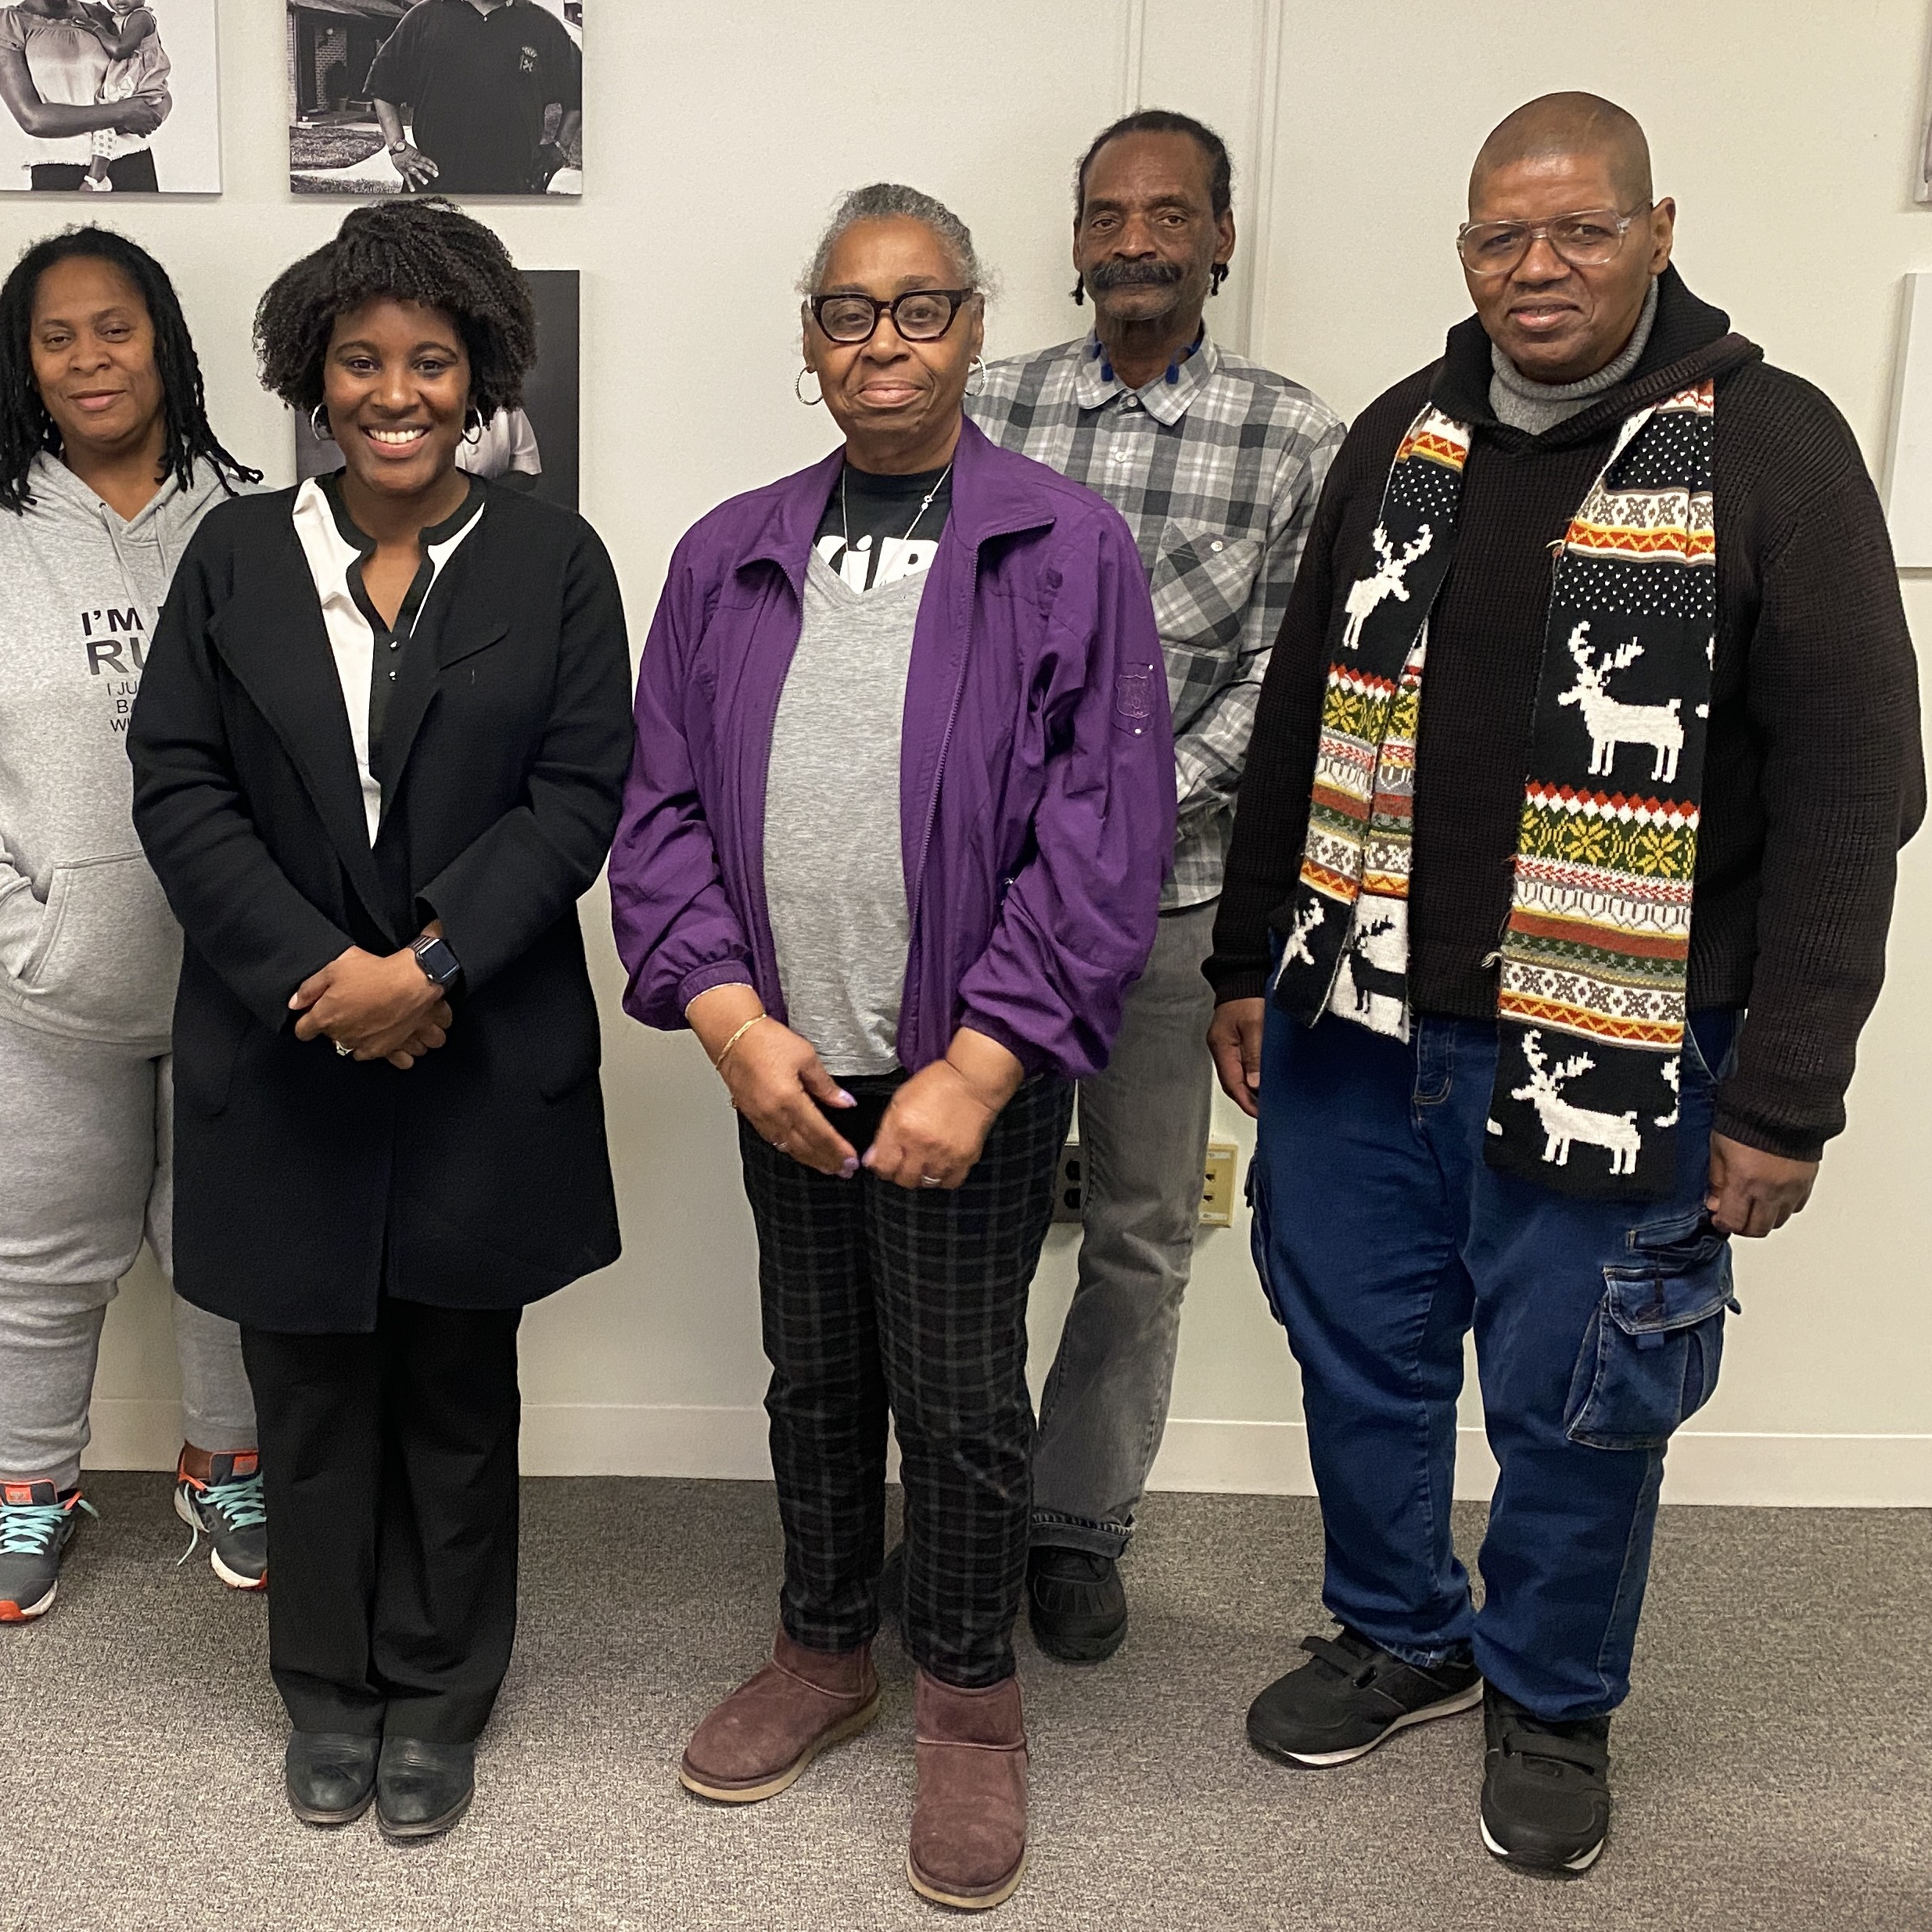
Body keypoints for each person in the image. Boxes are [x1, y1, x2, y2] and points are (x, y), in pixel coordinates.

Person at [1206, 94, 1923, 1875]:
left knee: (1581, 1388)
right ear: (1466, 248)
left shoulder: (1771, 450)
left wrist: (1788, 1092)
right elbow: (1299, 716)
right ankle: (1400, 1624)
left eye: (1579, 230)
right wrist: (1245, 958)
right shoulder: (1404, 435)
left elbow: (1857, 786)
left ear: (1656, 227)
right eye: (1500, 235)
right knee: (1361, 1357)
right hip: (1358, 1019)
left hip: (1624, 1040)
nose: (1537, 267)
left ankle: (1549, 1684)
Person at [613, 185, 1174, 1912]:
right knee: (813, 1378)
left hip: (962, 1072)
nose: (882, 342)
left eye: (917, 307)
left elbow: (1105, 825)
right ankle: (821, 1645)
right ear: (806, 337)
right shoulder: (728, 551)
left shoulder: (1060, 544)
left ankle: (968, 1699)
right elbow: (661, 809)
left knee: (956, 1399)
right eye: (848, 312)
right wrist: (724, 1019)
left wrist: (987, 1059)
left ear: (973, 325)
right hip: (781, 1058)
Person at [128, 199, 631, 1844]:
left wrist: (425, 969)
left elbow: (577, 790)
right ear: (310, 372)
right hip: (279, 1045)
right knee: (311, 1388)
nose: (393, 390)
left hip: (473, 1041)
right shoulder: (231, 553)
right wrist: (320, 977)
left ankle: (436, 1686)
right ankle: (324, 1687)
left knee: (451, 1385)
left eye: (429, 359)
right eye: (359, 359)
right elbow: (179, 783)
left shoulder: (553, 556)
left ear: (478, 372)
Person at [963, 110, 1343, 1662]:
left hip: (1168, 902)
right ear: (1072, 242)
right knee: (972, 1218)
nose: (1134, 238)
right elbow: (930, 648)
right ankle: (974, 1499)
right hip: (982, 901)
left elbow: (1286, 678)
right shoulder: (985, 410)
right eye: (1106, 214)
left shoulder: (1290, 438)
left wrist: (1114, 811)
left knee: (1136, 1229)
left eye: (1166, 213)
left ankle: (1073, 1520)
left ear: (1218, 238)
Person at [0, 227, 268, 1626]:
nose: (90, 358)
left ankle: (227, 1462)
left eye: (116, 327)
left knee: (236, 1243)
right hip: (25, 994)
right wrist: (13, 923)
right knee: (27, 1254)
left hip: (234, 985)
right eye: (57, 336)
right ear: (21, 366)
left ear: (165, 341)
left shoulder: (261, 527)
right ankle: (31, 1487)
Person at [368, 0, 580, 197]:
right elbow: (383, 85)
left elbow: (580, 89)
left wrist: (561, 148)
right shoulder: (425, 17)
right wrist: (398, 147)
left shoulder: (542, 25)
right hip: (434, 184)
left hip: (516, 186)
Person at [0, 0, 171, 194]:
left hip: (132, 161)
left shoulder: (103, 15)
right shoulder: (9, 22)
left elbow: (154, 83)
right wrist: (122, 113)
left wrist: (152, 113)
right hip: (60, 168)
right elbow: (32, 119)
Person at [79, 1, 163, 194]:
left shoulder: (140, 17)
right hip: (130, 80)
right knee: (106, 120)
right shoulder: (121, 18)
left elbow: (120, 50)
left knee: (105, 120)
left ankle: (97, 177)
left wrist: (96, 29)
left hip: (141, 83)